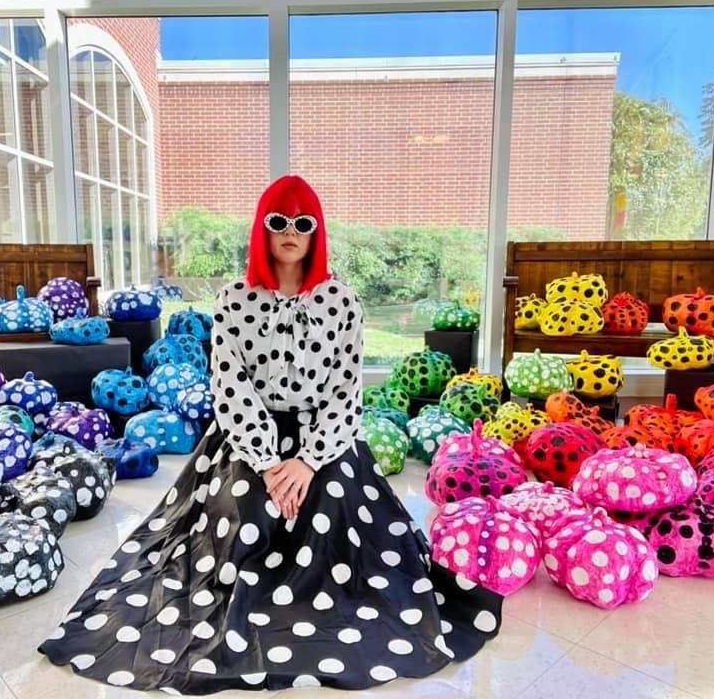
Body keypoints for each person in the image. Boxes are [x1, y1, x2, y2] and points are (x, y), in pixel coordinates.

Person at [37, 175, 502, 694]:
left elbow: (345, 390)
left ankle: (323, 601)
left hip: (322, 435)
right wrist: (265, 460)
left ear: (315, 232)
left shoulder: (342, 301)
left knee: (332, 507)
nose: (289, 232)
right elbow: (230, 385)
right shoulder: (234, 298)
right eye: (277, 221)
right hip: (246, 436)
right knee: (246, 510)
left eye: (302, 223)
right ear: (262, 228)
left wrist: (307, 460)